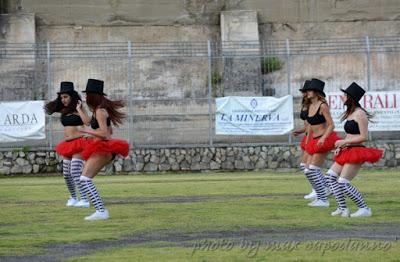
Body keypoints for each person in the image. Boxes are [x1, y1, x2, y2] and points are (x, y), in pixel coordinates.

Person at [326, 82, 383, 217]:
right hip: (347, 150)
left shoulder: (360, 114)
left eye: (345, 95)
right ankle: (343, 208)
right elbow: (350, 134)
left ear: (351, 97)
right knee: (330, 177)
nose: (343, 97)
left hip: (356, 151)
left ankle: (364, 209)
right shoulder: (351, 113)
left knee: (343, 182)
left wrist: (344, 141)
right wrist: (342, 146)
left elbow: (363, 137)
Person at [77, 79, 129, 221]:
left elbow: (105, 133)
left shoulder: (100, 111)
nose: (86, 98)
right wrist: (79, 110)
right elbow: (88, 122)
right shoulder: (97, 111)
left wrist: (88, 132)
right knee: (84, 179)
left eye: (87, 95)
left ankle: (101, 211)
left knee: (84, 179)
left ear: (93, 95)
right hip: (100, 148)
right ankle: (100, 210)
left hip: (103, 148)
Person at [44, 81, 89, 208]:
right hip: (67, 143)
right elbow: (50, 109)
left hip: (79, 143)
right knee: (66, 174)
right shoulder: (63, 110)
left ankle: (84, 199)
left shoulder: (79, 108)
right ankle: (73, 197)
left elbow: (88, 123)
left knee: (75, 172)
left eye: (66, 97)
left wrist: (80, 109)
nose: (63, 100)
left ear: (72, 97)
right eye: (62, 97)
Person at [304, 78, 340, 207]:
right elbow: (309, 125)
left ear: (316, 92)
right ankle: (322, 195)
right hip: (313, 141)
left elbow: (331, 125)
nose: (307, 92)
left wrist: (324, 138)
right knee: (308, 171)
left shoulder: (322, 105)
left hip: (323, 140)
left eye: (309, 90)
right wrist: (308, 140)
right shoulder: (310, 106)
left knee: (313, 169)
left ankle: (323, 199)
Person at [292, 80, 316, 199]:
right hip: (307, 135)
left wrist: (308, 137)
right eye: (303, 92)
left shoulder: (314, 104)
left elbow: (313, 124)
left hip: (312, 137)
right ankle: (317, 188)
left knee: (308, 167)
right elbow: (307, 125)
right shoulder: (306, 104)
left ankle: (320, 188)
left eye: (306, 92)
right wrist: (300, 131)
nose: (304, 94)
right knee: (305, 166)